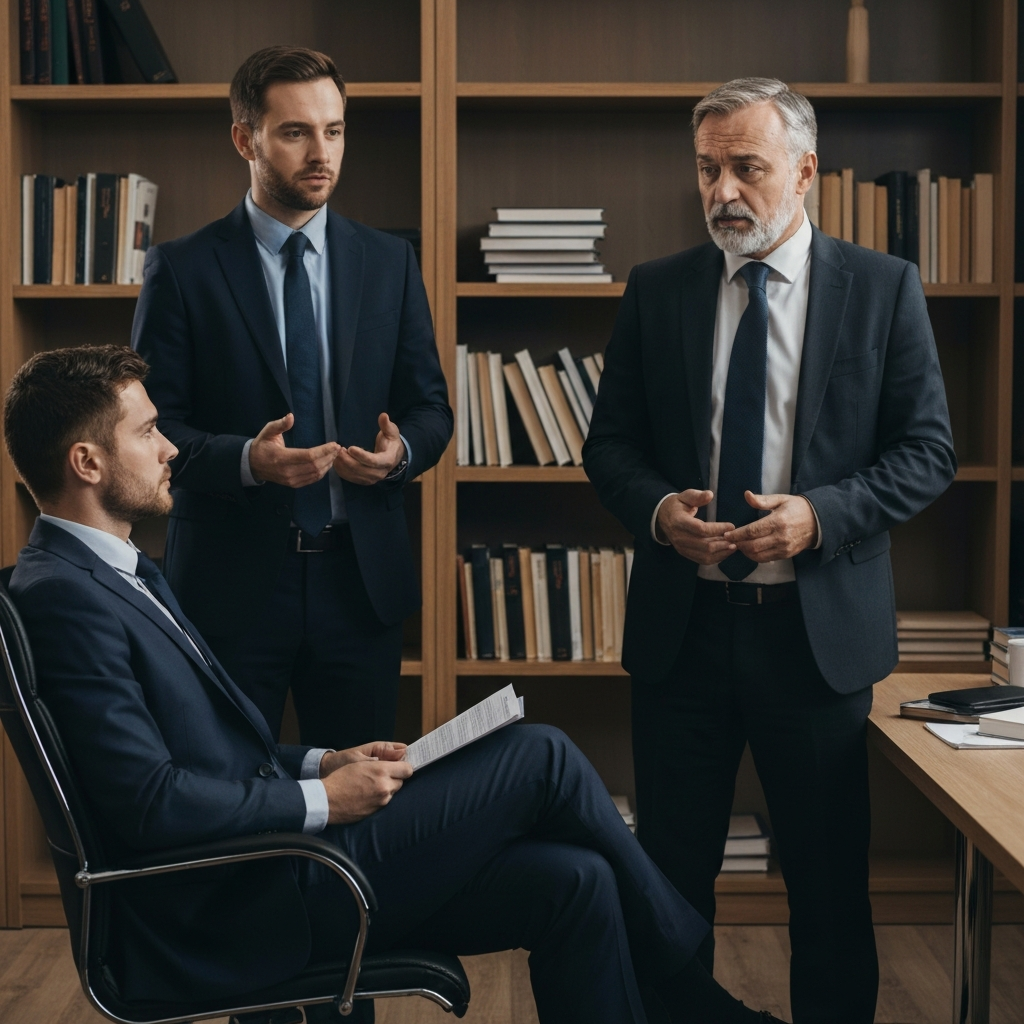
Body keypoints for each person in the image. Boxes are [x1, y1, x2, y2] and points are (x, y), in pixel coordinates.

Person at [4, 346, 787, 1024]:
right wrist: (323, 804)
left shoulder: (116, 570)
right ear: (87, 462)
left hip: (267, 863)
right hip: (240, 899)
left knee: (573, 880)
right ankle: (692, 995)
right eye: (146, 431)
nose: (171, 447)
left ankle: (682, 993)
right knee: (540, 755)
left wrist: (322, 763)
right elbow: (148, 803)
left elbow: (200, 754)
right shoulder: (64, 598)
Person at [583, 78, 956, 1024]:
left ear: (804, 171)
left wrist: (821, 516)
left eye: (746, 168)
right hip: (685, 635)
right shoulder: (659, 289)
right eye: (708, 169)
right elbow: (609, 448)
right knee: (670, 890)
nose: (723, 192)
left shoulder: (882, 289)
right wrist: (662, 509)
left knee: (828, 895)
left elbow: (928, 453)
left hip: (814, 639)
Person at [131, 46, 452, 750]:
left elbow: (431, 407)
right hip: (230, 587)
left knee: (364, 804)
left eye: (333, 131)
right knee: (231, 804)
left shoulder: (390, 262)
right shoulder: (183, 270)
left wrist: (400, 456)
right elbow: (150, 433)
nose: (321, 153)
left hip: (359, 583)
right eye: (296, 132)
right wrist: (249, 461)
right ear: (246, 139)